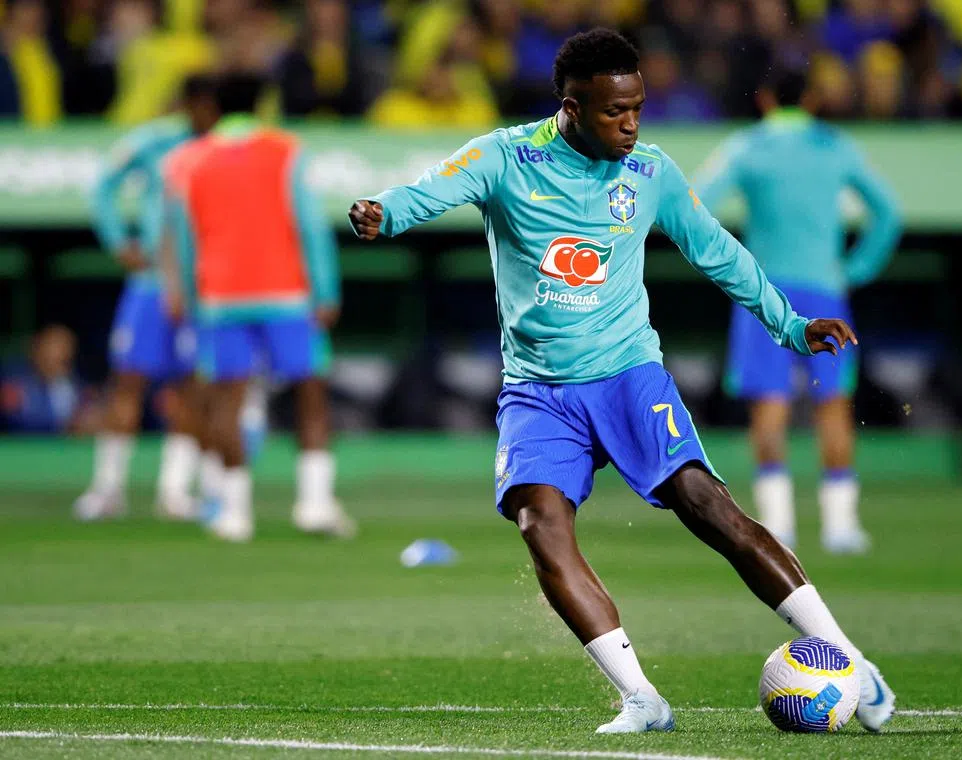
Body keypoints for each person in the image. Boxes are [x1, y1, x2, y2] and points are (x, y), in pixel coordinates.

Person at [349, 28, 895, 734]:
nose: (632, 124)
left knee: (712, 510)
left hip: (629, 374)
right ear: (571, 110)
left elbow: (719, 251)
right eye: (615, 113)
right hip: (537, 389)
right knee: (540, 527)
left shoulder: (651, 173)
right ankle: (642, 697)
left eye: (638, 107)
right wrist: (383, 213)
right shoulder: (506, 157)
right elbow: (429, 191)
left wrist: (792, 325)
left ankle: (851, 661)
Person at [694, 67, 902, 554]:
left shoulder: (747, 146)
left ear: (766, 99)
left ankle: (778, 525)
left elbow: (696, 204)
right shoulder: (836, 147)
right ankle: (841, 527)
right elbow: (888, 212)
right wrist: (856, 268)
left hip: (762, 291)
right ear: (809, 100)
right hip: (825, 290)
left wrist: (730, 264)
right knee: (832, 405)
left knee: (769, 406)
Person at [168, 73, 353, 543]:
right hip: (285, 294)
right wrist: (326, 290)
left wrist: (193, 299)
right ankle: (313, 504)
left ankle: (234, 513)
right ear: (262, 104)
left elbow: (185, 241)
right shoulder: (286, 151)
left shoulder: (188, 161)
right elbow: (310, 224)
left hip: (220, 297)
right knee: (310, 393)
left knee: (227, 398)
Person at [74, 74, 220, 523]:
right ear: (189, 104)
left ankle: (174, 494)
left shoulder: (226, 149)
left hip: (207, 286)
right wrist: (119, 240)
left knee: (194, 386)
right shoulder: (156, 143)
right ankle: (107, 489)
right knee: (129, 380)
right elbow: (103, 186)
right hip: (153, 282)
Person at [0, 325, 95, 434]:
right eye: (54, 347)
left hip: (64, 449)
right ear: (36, 348)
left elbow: (90, 414)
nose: (61, 354)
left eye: (65, 349)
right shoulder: (13, 379)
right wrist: (66, 425)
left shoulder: (77, 386)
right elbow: (17, 419)